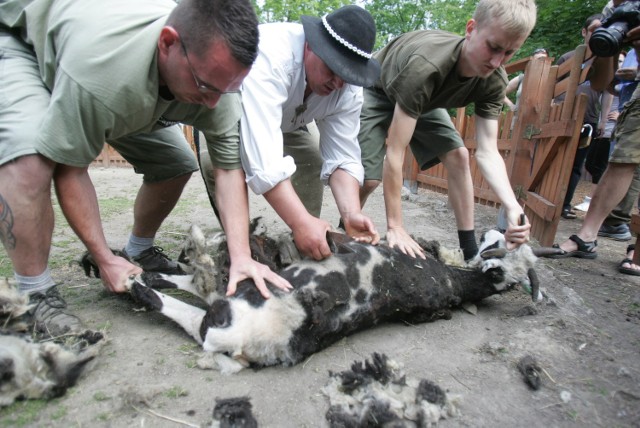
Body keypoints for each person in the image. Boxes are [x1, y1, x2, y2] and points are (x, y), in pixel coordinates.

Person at [0, 0, 291, 337]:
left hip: (109, 77)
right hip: (22, 41)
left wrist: (241, 255)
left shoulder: (215, 80)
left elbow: (228, 170)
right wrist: (104, 258)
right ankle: (34, 294)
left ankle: (139, 250)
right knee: (30, 163)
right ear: (167, 44)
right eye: (207, 87)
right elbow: (72, 169)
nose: (215, 104)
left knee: (175, 163)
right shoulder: (102, 75)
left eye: (227, 88)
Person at [357, 0, 535, 261]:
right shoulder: (426, 66)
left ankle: (469, 252)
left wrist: (511, 205)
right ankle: (347, 230)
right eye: (493, 47)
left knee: (459, 155)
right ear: (471, 29)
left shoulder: (494, 80)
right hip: (377, 88)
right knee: (369, 178)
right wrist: (396, 227)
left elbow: (488, 152)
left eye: (509, 53)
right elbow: (395, 152)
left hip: (425, 100)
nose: (497, 61)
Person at [200, 5, 381, 260]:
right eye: (333, 69)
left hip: (287, 120)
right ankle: (241, 249)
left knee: (310, 159)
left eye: (347, 75)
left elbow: (343, 156)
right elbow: (265, 161)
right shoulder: (272, 54)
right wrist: (299, 222)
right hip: (231, 108)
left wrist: (350, 213)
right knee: (217, 164)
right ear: (310, 46)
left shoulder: (348, 88)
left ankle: (306, 242)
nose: (339, 83)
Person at [550, 0, 640, 276]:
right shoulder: (611, 13)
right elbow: (602, 83)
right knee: (621, 160)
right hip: (634, 97)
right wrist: (606, 47)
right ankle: (587, 236)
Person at [555, 14, 613, 220]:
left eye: (601, 30)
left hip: (587, 119)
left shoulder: (606, 61)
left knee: (576, 165)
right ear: (584, 32)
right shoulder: (568, 58)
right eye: (593, 30)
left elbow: (607, 91)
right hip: (561, 117)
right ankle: (546, 200)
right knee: (554, 159)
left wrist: (603, 120)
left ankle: (564, 204)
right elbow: (553, 86)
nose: (596, 34)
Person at [597, 48, 639, 240]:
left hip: (633, 112)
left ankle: (617, 221)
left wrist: (636, 74)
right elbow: (609, 87)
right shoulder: (630, 49)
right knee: (618, 164)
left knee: (627, 165)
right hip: (626, 110)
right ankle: (613, 221)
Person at [503, 47, 549, 114]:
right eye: (537, 60)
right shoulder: (522, 78)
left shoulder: (551, 79)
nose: (540, 63)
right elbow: (499, 92)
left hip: (541, 121)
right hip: (518, 120)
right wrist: (511, 105)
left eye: (543, 60)